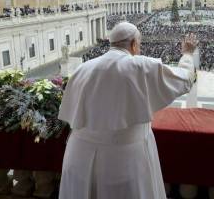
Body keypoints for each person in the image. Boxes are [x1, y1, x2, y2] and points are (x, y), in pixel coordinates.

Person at [58, 22, 197, 199]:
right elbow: (184, 79)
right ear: (133, 44)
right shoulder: (140, 66)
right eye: (139, 45)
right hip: (123, 160)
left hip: (78, 156)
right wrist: (187, 53)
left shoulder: (82, 69)